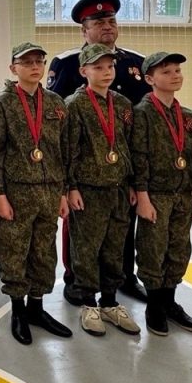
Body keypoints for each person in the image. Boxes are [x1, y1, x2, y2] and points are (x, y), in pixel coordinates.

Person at [47, 0, 150, 305]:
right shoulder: (67, 63)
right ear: (84, 30)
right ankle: (75, 278)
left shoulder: (135, 62)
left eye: (111, 21)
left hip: (122, 164)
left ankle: (123, 276)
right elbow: (56, 114)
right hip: (86, 166)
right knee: (80, 228)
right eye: (98, 22)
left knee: (123, 223)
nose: (107, 26)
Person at [0, 42, 72, 345]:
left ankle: (37, 307)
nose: (35, 67)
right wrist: (0, 195)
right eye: (27, 62)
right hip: (17, 190)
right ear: (13, 68)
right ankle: (17, 310)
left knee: (44, 250)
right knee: (14, 250)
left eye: (39, 61)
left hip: (49, 189)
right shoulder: (3, 103)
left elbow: (63, 151)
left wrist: (62, 192)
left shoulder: (55, 103)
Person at [64, 43, 140, 338]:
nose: (106, 72)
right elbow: (69, 150)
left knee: (115, 247)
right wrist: (71, 187)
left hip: (118, 188)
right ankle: (88, 303)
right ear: (84, 71)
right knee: (87, 248)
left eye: (110, 66)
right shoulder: (74, 105)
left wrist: (131, 183)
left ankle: (110, 302)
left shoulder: (122, 104)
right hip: (88, 189)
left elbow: (127, 145)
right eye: (98, 67)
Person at [130, 52, 192, 336]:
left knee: (178, 250)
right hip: (156, 194)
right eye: (166, 72)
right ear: (150, 79)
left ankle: (170, 302)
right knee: (153, 250)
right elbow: (138, 157)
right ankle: (154, 306)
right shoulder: (142, 113)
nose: (175, 76)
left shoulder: (189, 116)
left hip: (183, 193)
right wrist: (143, 197)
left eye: (177, 71)